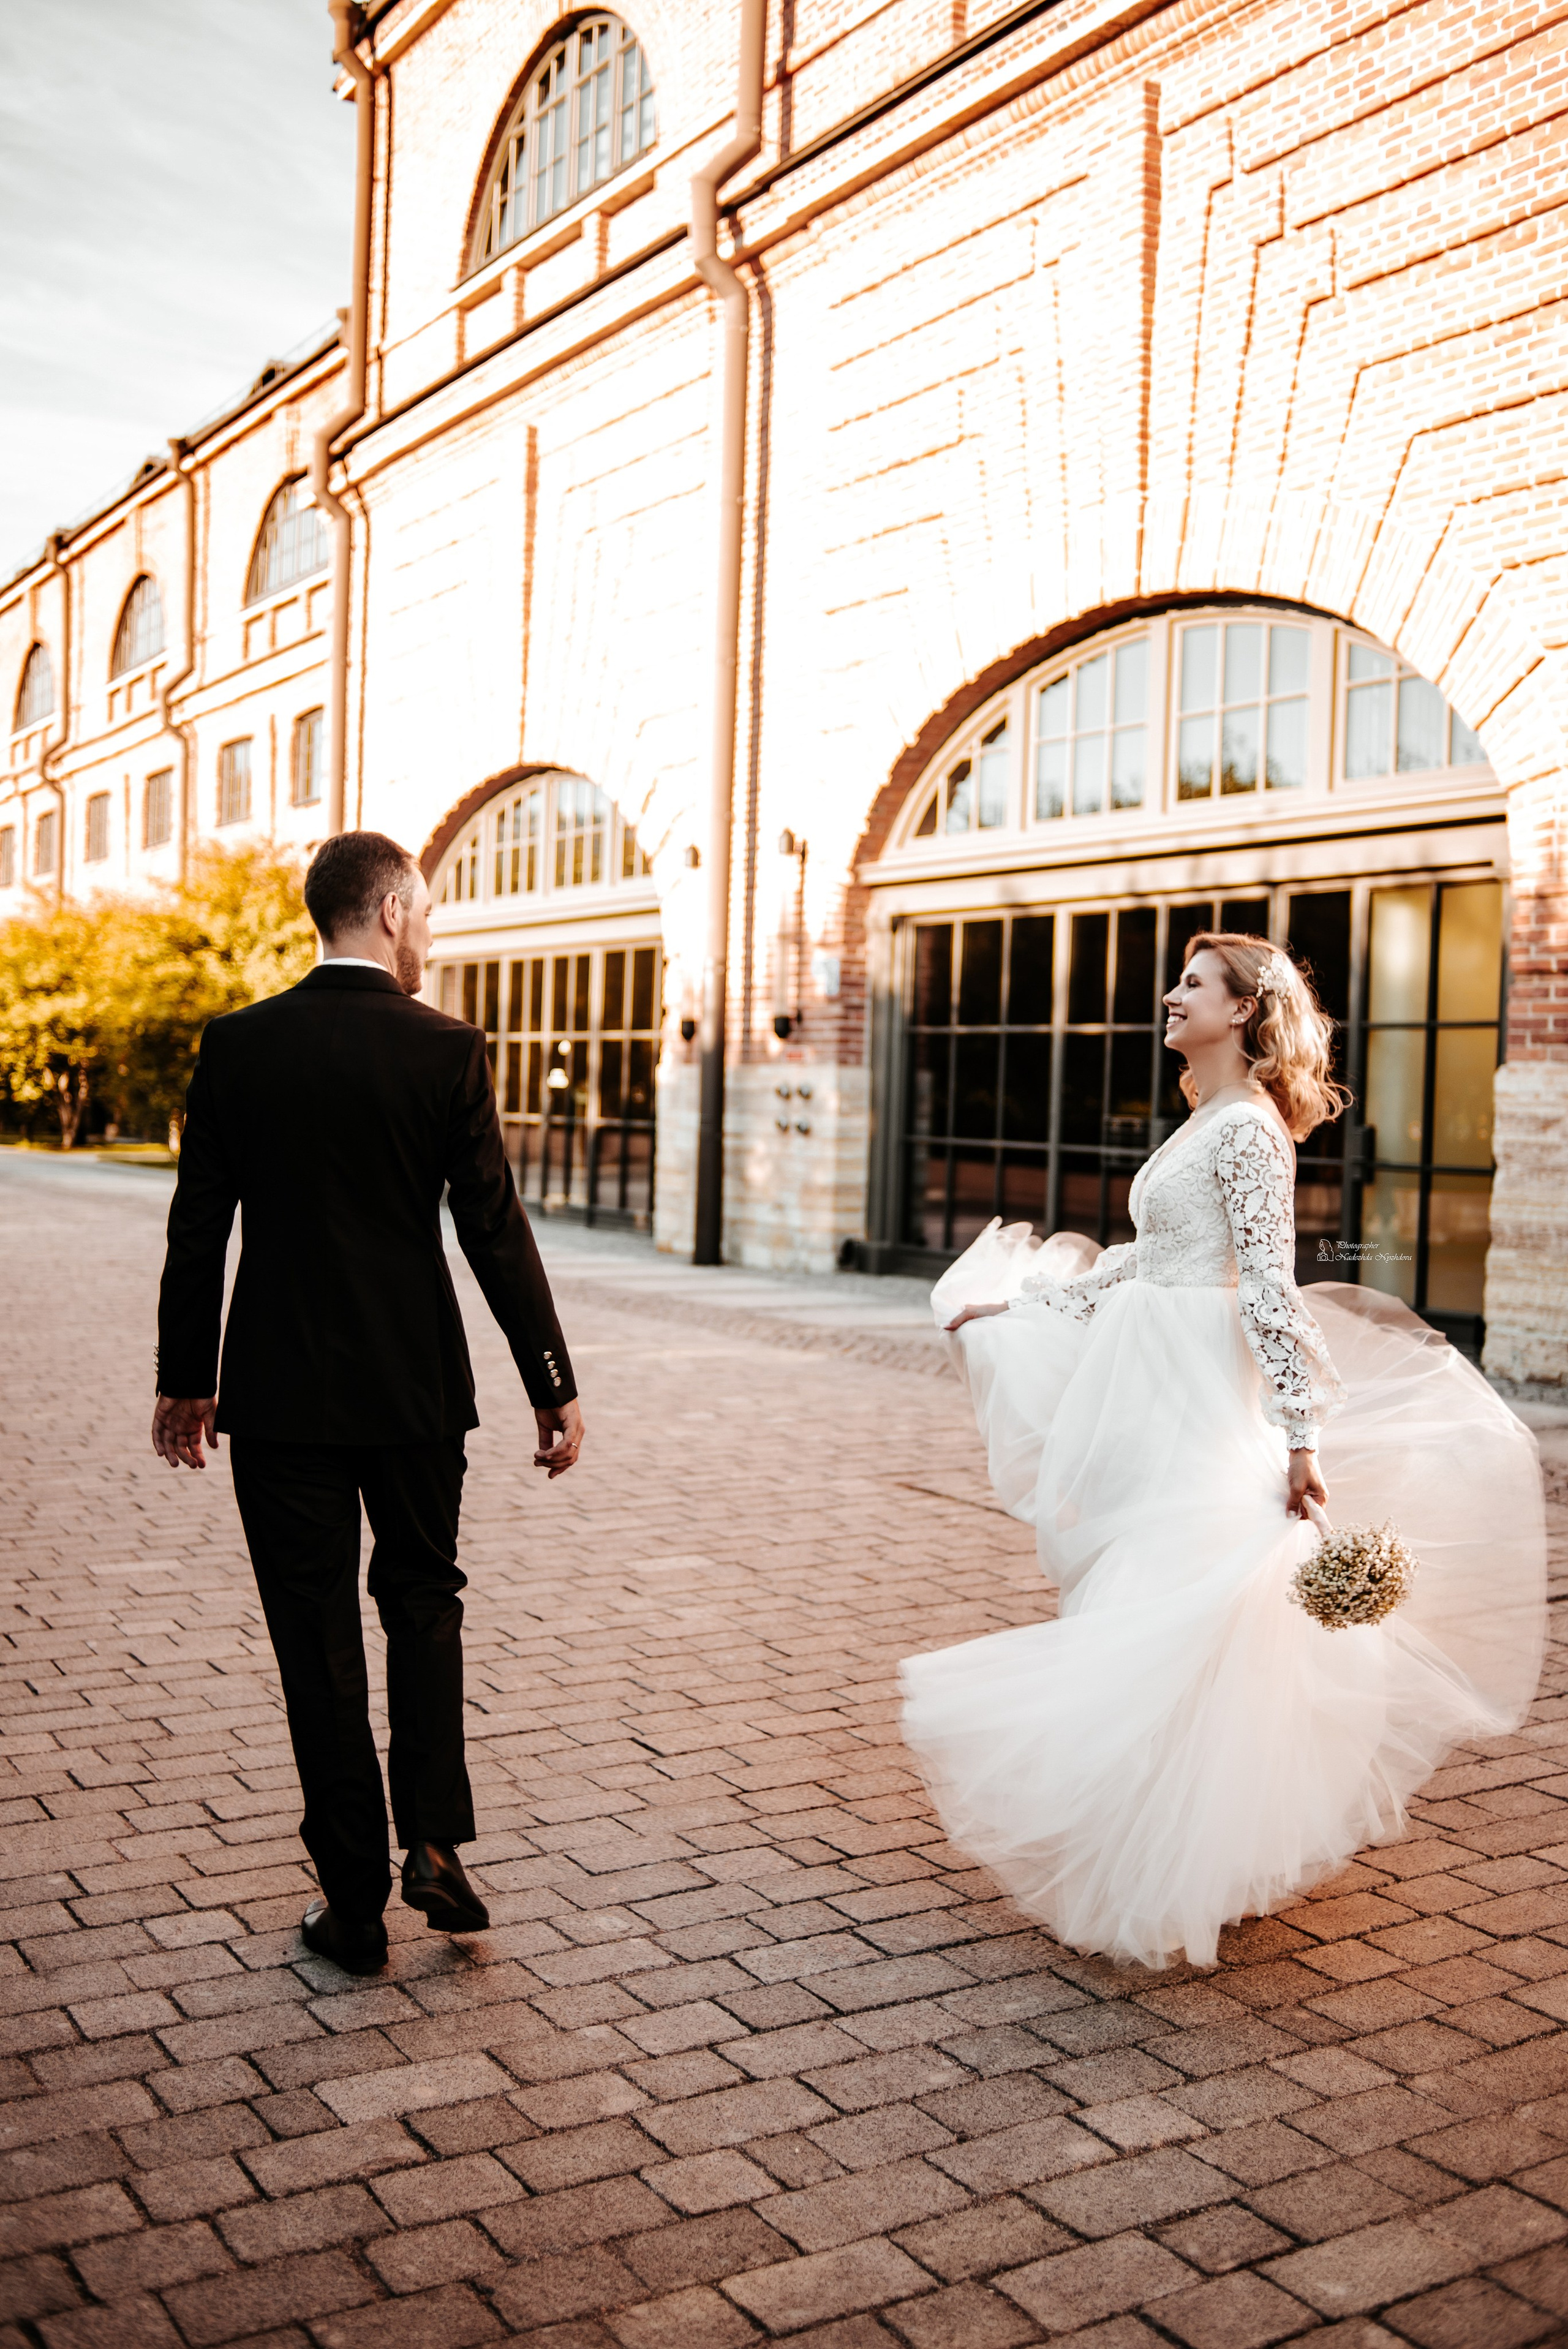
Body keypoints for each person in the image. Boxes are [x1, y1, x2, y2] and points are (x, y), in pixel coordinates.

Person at [902, 933, 1545, 1970]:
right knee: (1142, 1593)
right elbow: (1149, 1260)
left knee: (1183, 1602)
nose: (1171, 994)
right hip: (1146, 1382)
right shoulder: (1205, 1120)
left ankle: (1182, 1853)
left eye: (1193, 984)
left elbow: (1270, 1284)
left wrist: (1299, 1436)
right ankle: (1147, 1825)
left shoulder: (1249, 1132)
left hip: (1199, 1395)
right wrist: (1028, 1302)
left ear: (1243, 1012)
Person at [152, 831, 584, 1976]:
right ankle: (434, 1842)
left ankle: (353, 1905)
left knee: (316, 1636)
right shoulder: (445, 1048)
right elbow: (491, 1226)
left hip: (281, 1394)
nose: (431, 933)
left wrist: (186, 1380)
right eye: (429, 911)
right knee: (424, 1602)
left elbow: (200, 1227)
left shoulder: (240, 1046)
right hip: (414, 1392)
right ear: (391, 910)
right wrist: (551, 1381)